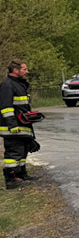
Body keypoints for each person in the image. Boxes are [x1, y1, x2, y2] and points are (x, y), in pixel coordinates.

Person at [1, 61, 38, 189]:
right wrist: (12, 125)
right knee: (14, 153)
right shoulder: (8, 85)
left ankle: (21, 174)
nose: (27, 72)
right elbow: (6, 107)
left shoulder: (18, 84)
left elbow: (21, 107)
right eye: (24, 69)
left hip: (21, 124)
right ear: (16, 70)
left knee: (22, 150)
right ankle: (11, 179)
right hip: (13, 126)